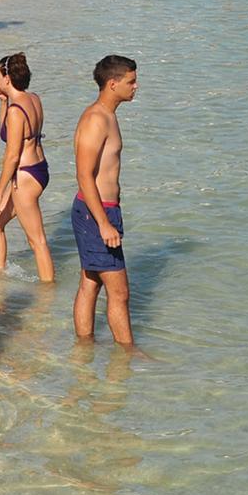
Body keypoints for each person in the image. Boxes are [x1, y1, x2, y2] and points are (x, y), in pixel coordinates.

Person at [73, 54, 138, 344]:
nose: (135, 87)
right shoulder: (96, 119)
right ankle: (127, 354)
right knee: (119, 293)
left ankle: (84, 346)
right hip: (96, 212)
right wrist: (103, 223)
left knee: (91, 282)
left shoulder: (107, 115)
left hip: (98, 211)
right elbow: (84, 175)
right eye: (131, 82)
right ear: (113, 84)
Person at [0, 53, 56, 281]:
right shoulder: (33, 99)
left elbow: (12, 156)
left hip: (25, 176)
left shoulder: (16, 111)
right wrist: (3, 101)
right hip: (38, 168)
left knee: (37, 240)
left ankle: (47, 293)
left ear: (7, 79)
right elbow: (6, 133)